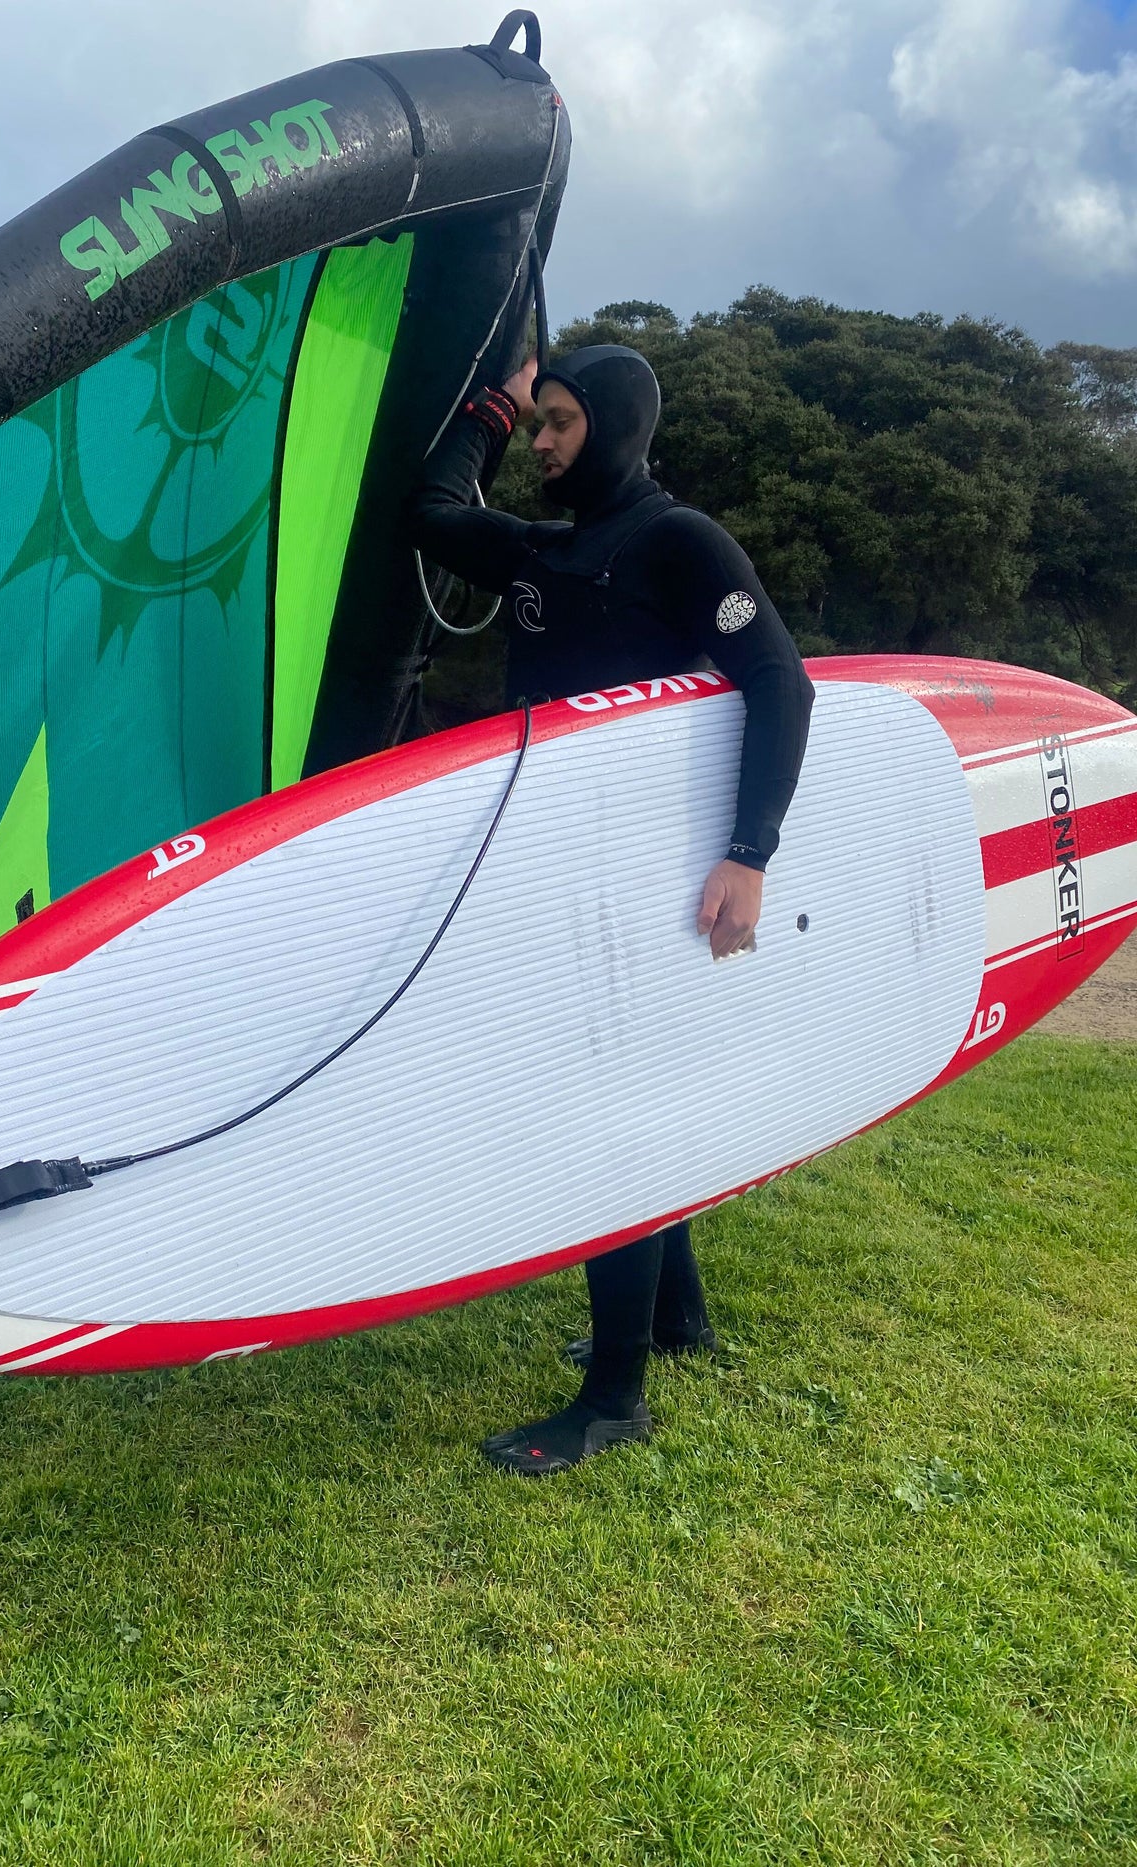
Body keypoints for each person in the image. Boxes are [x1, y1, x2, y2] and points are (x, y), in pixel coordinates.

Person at [407, 343, 814, 1476]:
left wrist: (748, 852)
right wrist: (487, 402)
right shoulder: (543, 545)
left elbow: (781, 682)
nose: (542, 444)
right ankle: (674, 1320)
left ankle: (612, 1401)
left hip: (642, 878)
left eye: (558, 424)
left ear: (618, 428)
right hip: (562, 871)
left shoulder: (676, 542)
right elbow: (432, 512)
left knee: (611, 1116)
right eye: (536, 424)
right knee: (628, 1096)